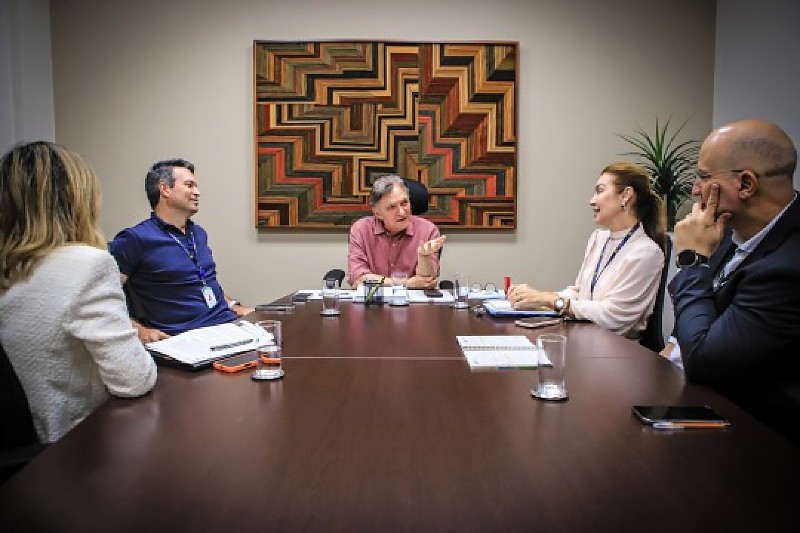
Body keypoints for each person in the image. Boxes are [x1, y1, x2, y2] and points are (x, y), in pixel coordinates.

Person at [0, 141, 157, 443]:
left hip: (25, 445)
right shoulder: (87, 264)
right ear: (77, 200)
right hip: (77, 446)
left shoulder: (9, 266)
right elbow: (134, 381)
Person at [665, 119, 800, 445]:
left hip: (762, 441)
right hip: (710, 406)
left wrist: (692, 261)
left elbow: (704, 361)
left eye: (704, 177)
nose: (695, 189)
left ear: (746, 184)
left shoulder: (788, 268)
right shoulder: (727, 233)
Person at [507, 162, 666, 337]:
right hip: (585, 337)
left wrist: (550, 300)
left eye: (600, 191)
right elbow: (580, 294)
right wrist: (536, 298)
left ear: (626, 195)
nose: (592, 201)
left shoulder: (646, 253)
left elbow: (613, 317)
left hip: (616, 348)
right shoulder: (598, 238)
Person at [109, 159, 254, 343]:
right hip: (185, 338)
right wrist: (138, 330)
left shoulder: (198, 233)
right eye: (189, 185)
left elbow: (203, 281)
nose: (197, 192)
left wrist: (233, 305)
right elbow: (103, 297)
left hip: (227, 326)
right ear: (165, 189)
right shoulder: (134, 239)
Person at [348, 175, 446, 288]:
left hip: (413, 299)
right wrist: (406, 283)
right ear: (378, 213)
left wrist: (424, 256)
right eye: (392, 207)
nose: (402, 212)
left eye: (404, 203)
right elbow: (359, 279)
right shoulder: (361, 229)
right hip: (373, 297)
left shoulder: (428, 230)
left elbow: (427, 282)